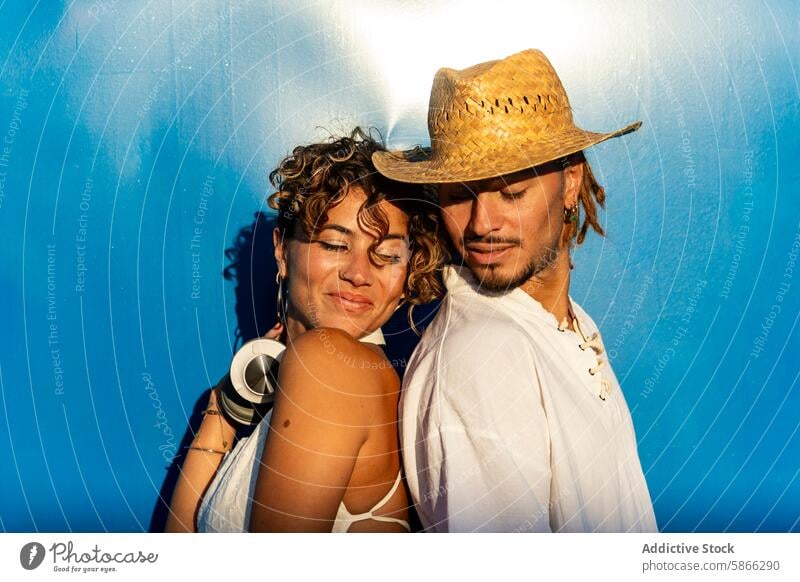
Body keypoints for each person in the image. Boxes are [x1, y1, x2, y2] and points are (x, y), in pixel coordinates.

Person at [372, 49, 658, 532]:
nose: (482, 224)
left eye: (511, 192)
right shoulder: (483, 355)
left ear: (571, 183)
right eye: (459, 194)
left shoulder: (562, 323)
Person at [166, 128, 444, 532]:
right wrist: (224, 410)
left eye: (385, 255)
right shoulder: (310, 374)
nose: (358, 274)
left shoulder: (333, 365)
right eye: (334, 245)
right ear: (282, 250)